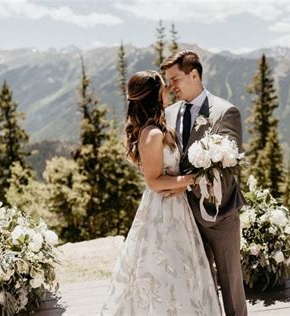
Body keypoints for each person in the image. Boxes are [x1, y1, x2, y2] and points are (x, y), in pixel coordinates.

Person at [101, 70, 221, 315]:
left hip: (176, 206)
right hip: (163, 211)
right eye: (163, 87)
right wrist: (192, 179)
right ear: (154, 95)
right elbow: (154, 181)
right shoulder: (152, 134)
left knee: (180, 270)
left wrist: (180, 184)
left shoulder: (157, 127)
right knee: (166, 269)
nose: (167, 90)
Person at [160, 50, 247, 316]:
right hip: (184, 213)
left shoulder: (224, 111)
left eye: (175, 79)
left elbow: (228, 164)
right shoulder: (169, 113)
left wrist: (185, 182)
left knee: (230, 282)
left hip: (220, 211)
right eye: (167, 81)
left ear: (194, 74)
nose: (171, 86)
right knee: (197, 283)